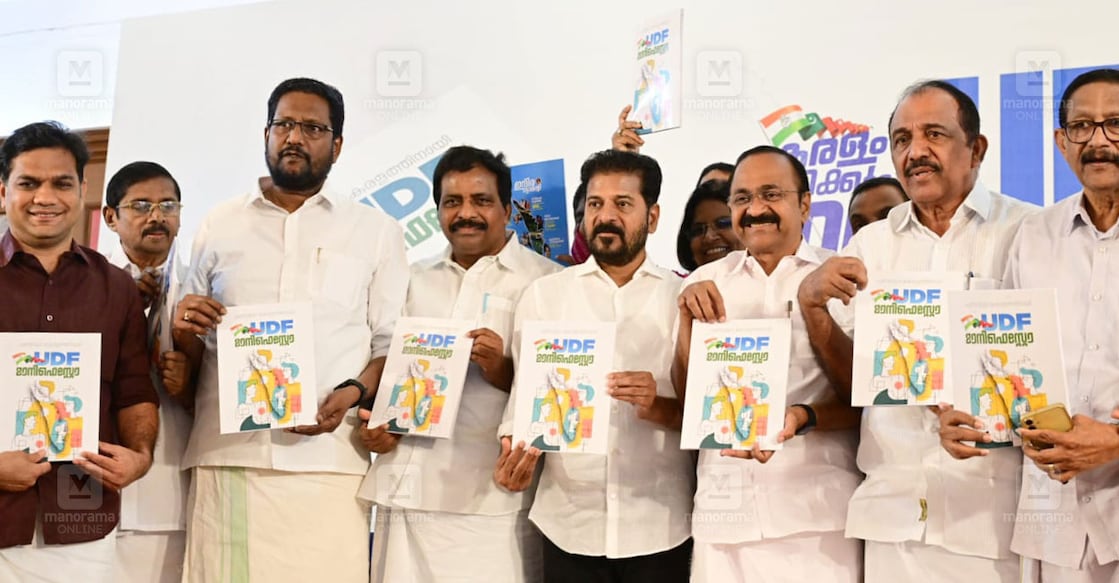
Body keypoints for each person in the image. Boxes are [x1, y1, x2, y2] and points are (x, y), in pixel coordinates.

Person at [797, 80, 1036, 581]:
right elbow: (853, 386)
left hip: (992, 518)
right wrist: (813, 307)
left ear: (977, 149)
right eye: (902, 138)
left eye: (934, 134)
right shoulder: (870, 246)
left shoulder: (1029, 232)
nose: (916, 151)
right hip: (894, 516)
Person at [170, 78, 408, 582]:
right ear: (267, 132)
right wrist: (184, 323)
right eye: (284, 124)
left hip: (329, 463)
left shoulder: (374, 231)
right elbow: (189, 344)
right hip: (228, 457)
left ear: (337, 145)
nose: (294, 137)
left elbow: (391, 344)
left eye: (313, 127)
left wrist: (352, 391)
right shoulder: (220, 223)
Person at [358, 145, 560, 582]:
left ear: (508, 209)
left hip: (492, 499)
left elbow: (558, 391)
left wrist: (501, 369)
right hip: (406, 493)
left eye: (481, 201)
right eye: (452, 202)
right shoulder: (410, 280)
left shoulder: (546, 282)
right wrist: (377, 425)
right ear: (437, 211)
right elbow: (386, 373)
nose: (466, 213)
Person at [951, 68, 1119, 581]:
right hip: (1055, 518)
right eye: (1082, 127)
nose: (1098, 142)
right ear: (1060, 143)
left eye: (1115, 124)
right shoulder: (1034, 236)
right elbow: (1003, 359)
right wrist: (964, 411)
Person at [494, 150, 694, 582]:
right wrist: (514, 449)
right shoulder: (544, 295)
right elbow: (523, 402)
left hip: (659, 525)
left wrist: (656, 402)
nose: (606, 216)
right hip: (568, 523)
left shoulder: (684, 299)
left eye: (623, 204)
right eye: (596, 204)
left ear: (653, 216)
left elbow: (706, 415)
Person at [672, 145, 862, 581]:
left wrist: (801, 417)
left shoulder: (841, 277)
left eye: (771, 194)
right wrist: (685, 324)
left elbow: (865, 400)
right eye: (741, 199)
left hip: (818, 518)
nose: (755, 210)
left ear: (805, 203)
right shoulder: (704, 282)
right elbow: (688, 404)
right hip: (724, 515)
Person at [0, 122, 158, 581]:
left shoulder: (116, 287)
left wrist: (140, 457)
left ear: (82, 190)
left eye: (62, 183)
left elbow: (133, 388)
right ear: (4, 190)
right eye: (29, 183)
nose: (45, 197)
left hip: (82, 521)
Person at [102, 161, 192, 583]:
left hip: (177, 474)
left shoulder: (200, 284)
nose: (157, 216)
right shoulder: (89, 286)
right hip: (101, 478)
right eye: (141, 205)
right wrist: (123, 308)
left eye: (167, 205)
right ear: (111, 217)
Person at [675, 179, 745, 272]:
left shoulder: (768, 284)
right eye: (698, 230)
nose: (709, 237)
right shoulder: (677, 286)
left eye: (723, 224)